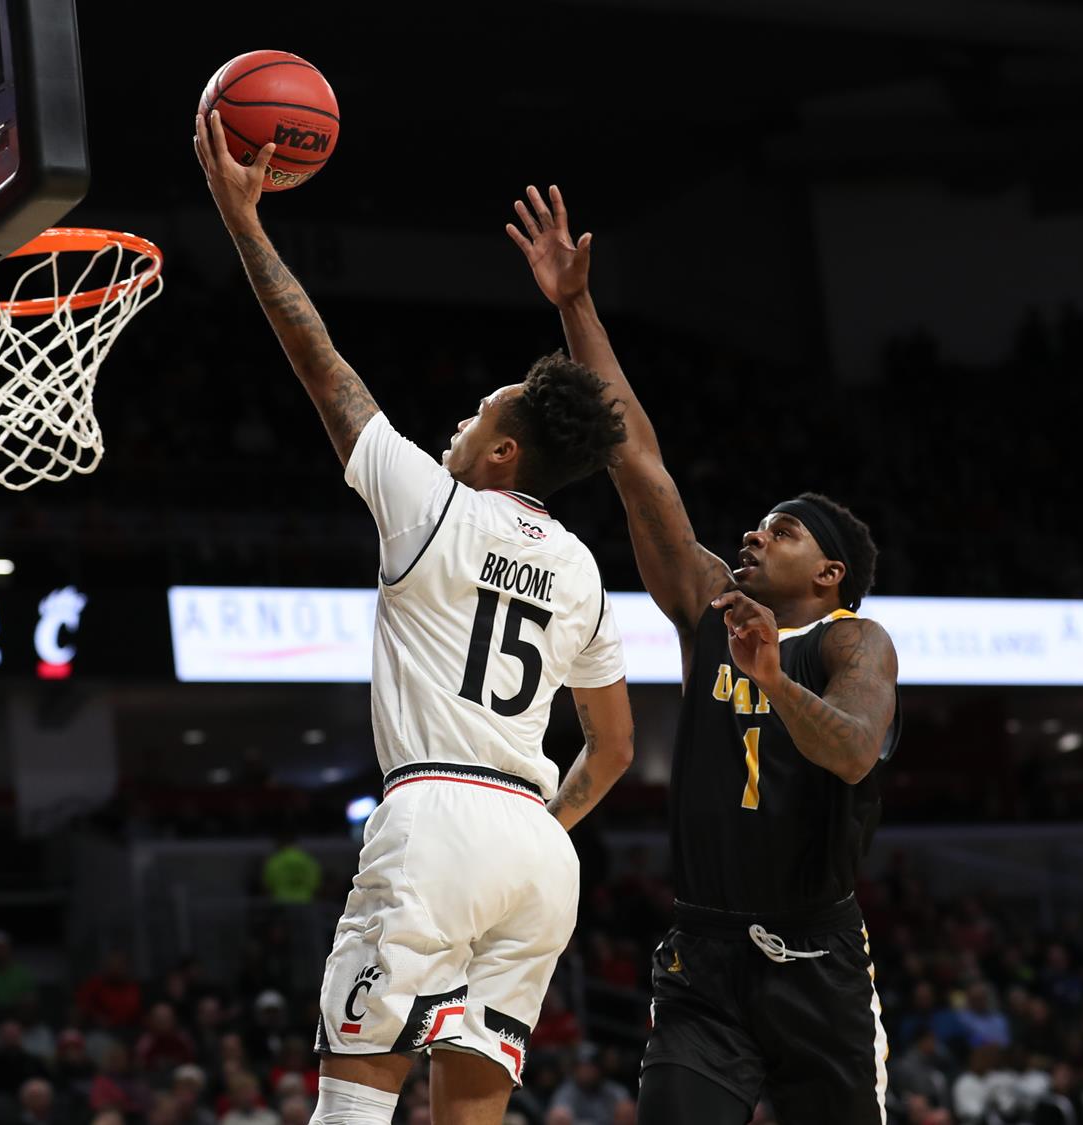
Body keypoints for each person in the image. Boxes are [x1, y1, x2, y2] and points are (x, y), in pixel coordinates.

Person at [194, 116, 637, 1125]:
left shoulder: (430, 505)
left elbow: (320, 362)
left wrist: (241, 221)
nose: (455, 427)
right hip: (536, 852)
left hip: (434, 818)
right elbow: (611, 751)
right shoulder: (579, 568)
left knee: (352, 1107)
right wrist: (530, 822)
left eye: (474, 419)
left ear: (500, 456)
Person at [509, 185, 901, 1125]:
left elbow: (851, 750)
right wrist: (573, 303)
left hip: (818, 958)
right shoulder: (709, 605)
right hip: (705, 952)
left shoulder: (854, 642)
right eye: (756, 527)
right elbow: (636, 459)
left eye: (782, 531)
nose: (755, 537)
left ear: (830, 571)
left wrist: (771, 681)